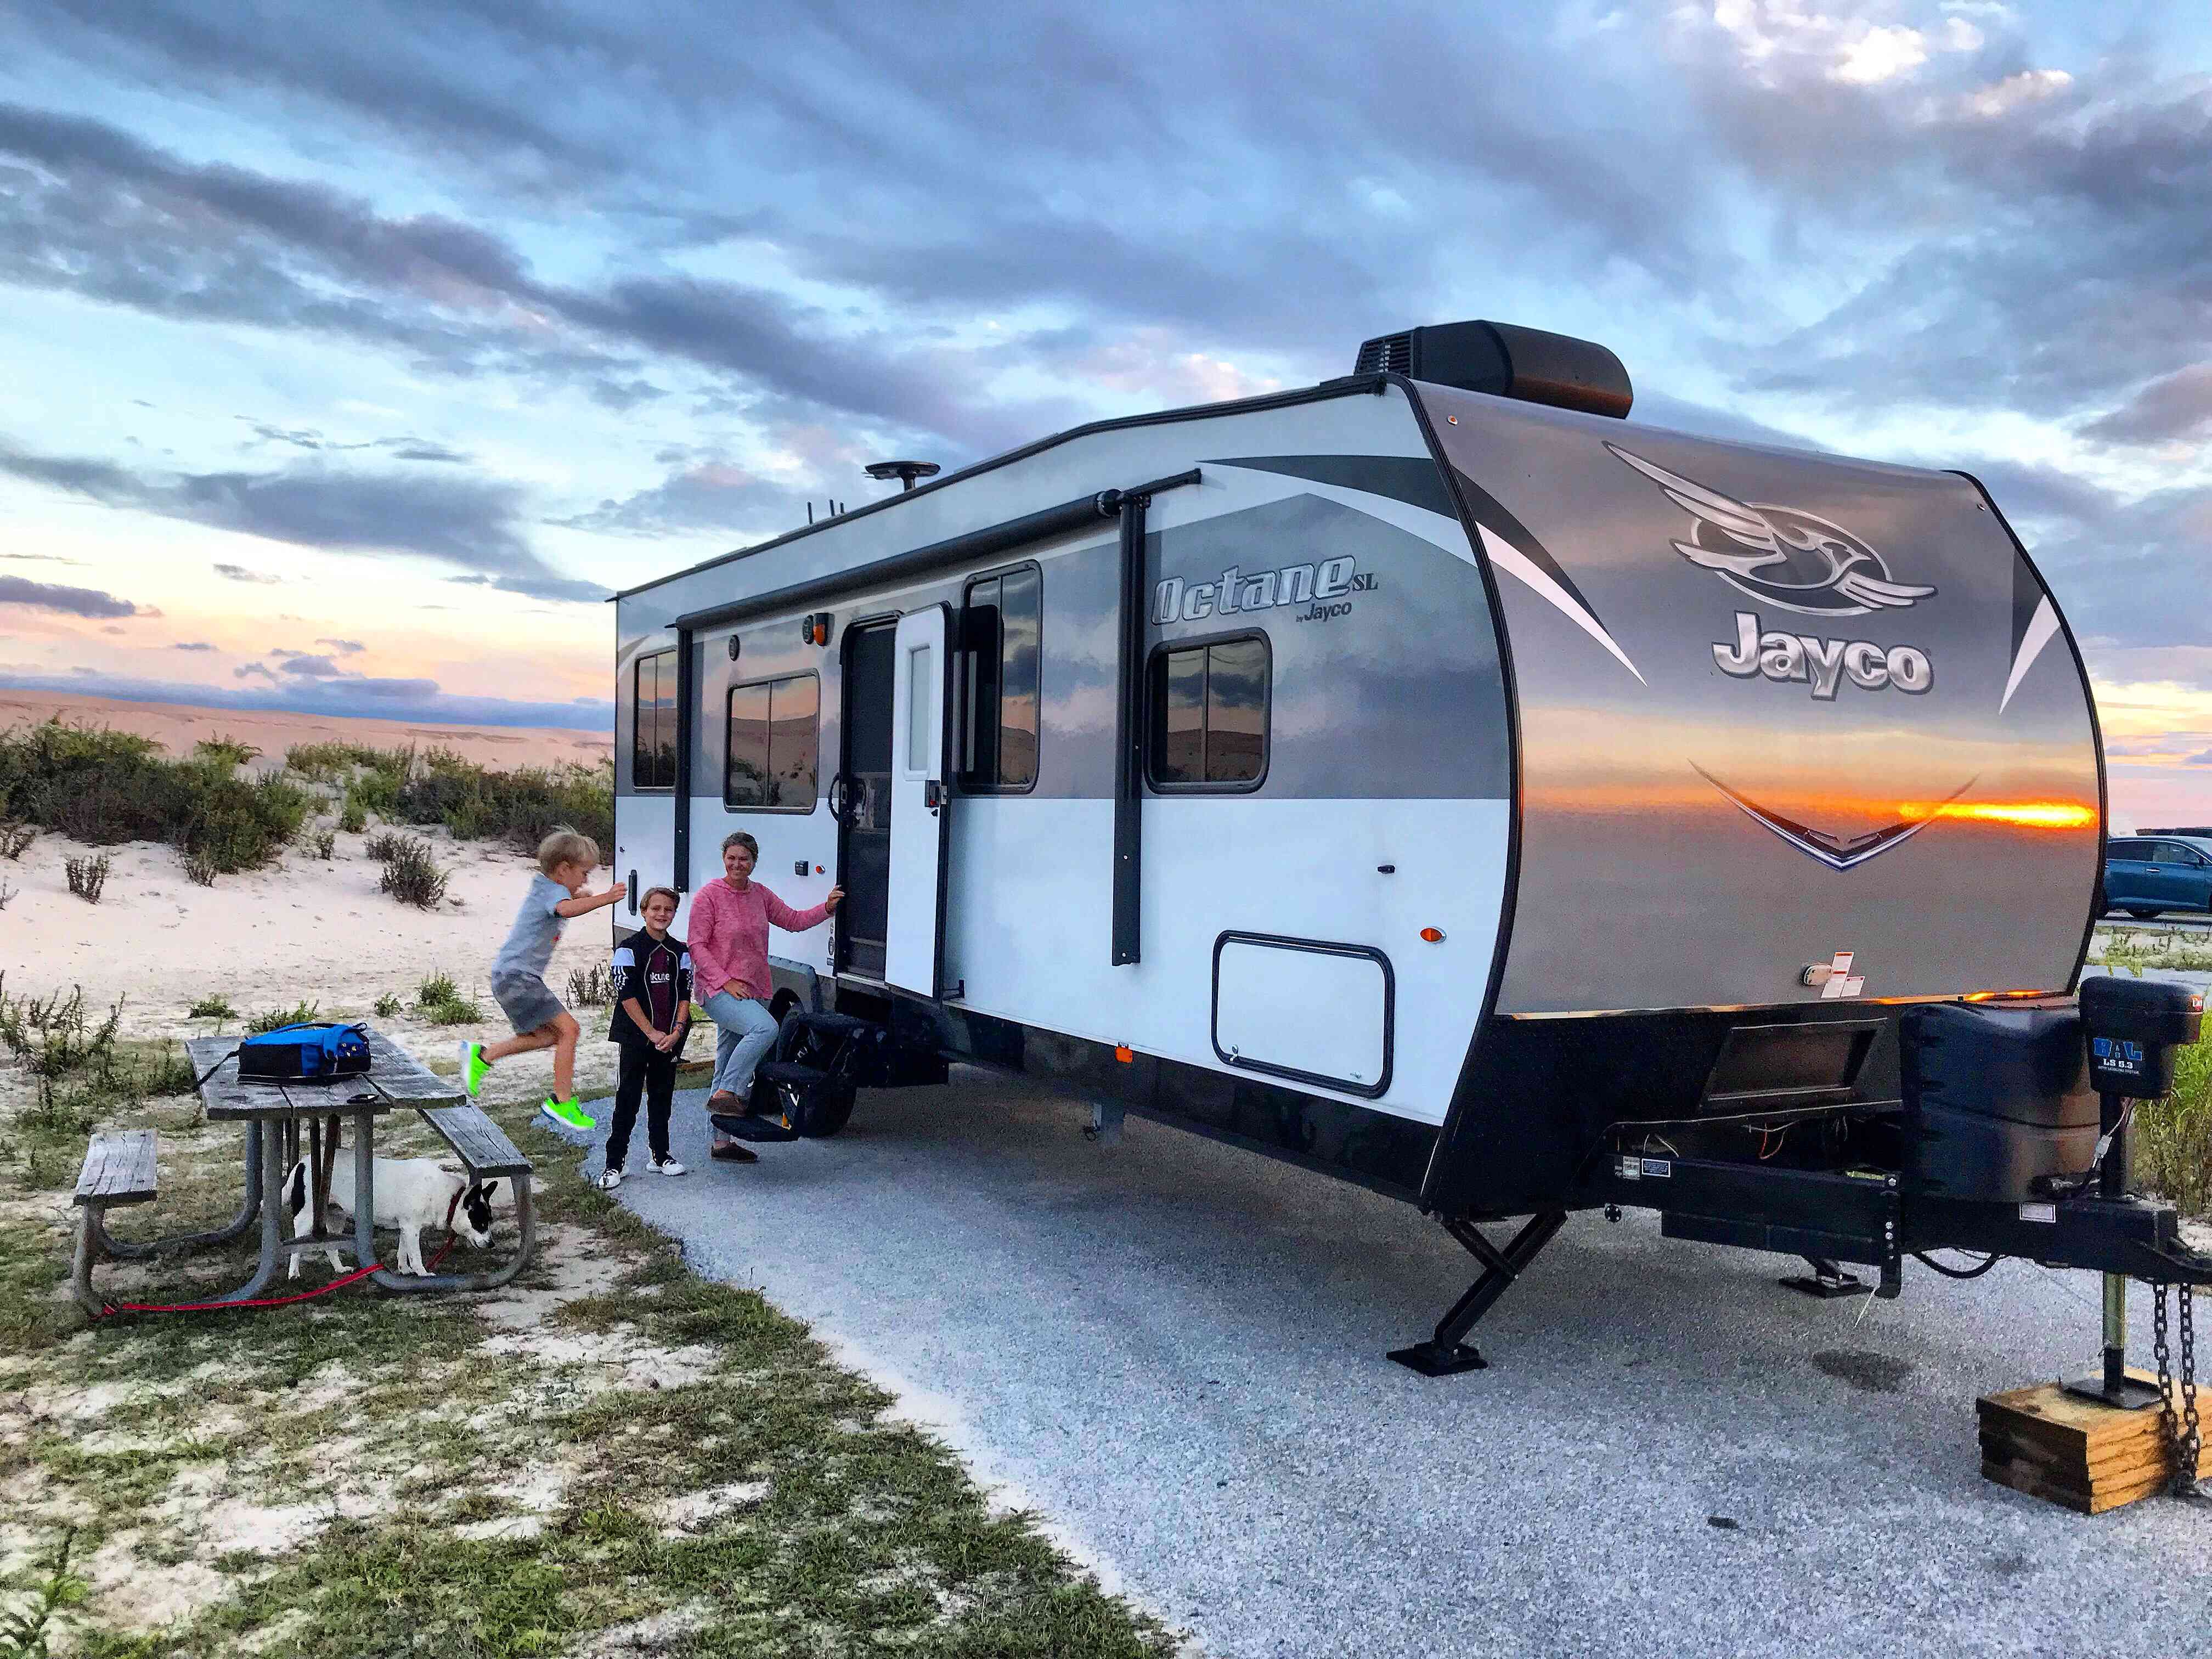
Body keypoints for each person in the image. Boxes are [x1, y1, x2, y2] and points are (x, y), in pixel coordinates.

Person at [459, 827, 627, 1131]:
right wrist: (606, 898)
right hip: (518, 977)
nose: (586, 880)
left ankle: (483, 1055)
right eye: (584, 873)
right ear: (563, 870)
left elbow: (565, 900)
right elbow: (566, 908)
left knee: (550, 1036)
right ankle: (561, 1103)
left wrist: (578, 893)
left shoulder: (546, 886)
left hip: (510, 977)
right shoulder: (553, 894)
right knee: (571, 1030)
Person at [689, 830, 843, 1161]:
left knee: (727, 1057)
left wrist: (827, 908)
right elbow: (696, 946)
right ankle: (731, 1091)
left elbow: (793, 921)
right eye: (731, 858)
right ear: (724, 860)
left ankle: (721, 1142)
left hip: (753, 988)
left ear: (754, 862)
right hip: (718, 990)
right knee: (766, 1029)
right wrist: (725, 981)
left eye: (744, 859)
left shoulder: (760, 895)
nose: (737, 864)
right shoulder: (708, 896)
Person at [599, 885, 693, 1188]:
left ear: (674, 914)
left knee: (662, 1097)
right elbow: (626, 996)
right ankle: (614, 1164)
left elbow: (685, 994)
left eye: (668, 910)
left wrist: (677, 1031)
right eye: (656, 909)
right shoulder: (628, 948)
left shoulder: (681, 951)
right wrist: (652, 1033)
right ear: (644, 911)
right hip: (637, 1037)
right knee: (627, 1097)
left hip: (670, 1038)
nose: (662, 914)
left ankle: (661, 1155)